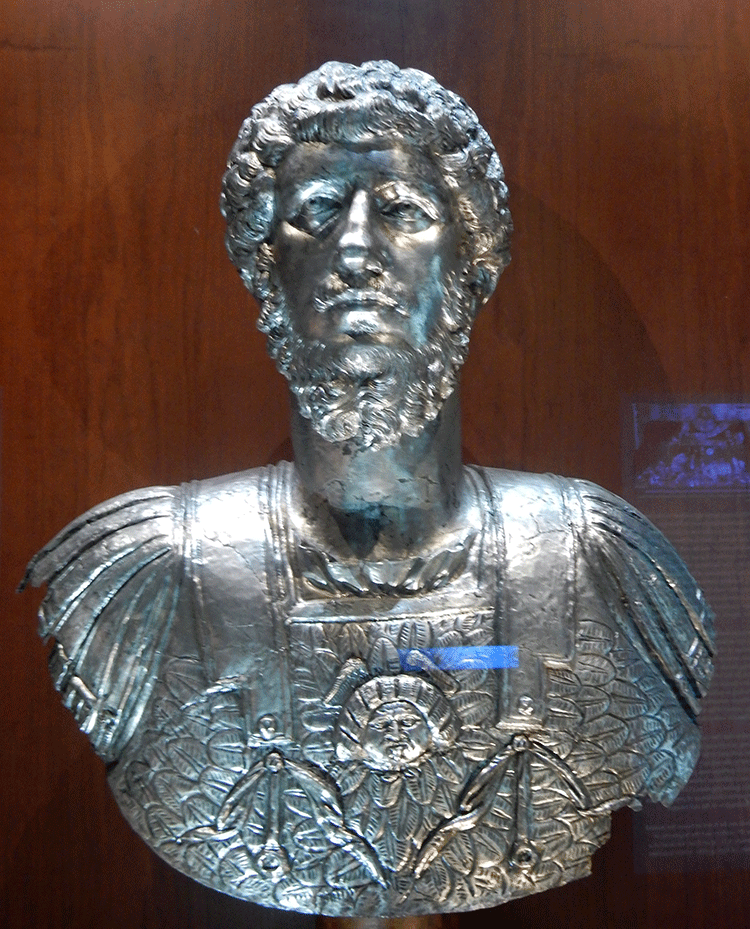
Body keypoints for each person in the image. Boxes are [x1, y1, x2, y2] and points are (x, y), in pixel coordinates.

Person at [23, 61, 714, 916]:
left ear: (472, 268)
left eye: (403, 211)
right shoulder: (152, 574)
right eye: (316, 211)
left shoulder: (597, 563)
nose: (355, 250)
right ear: (266, 267)